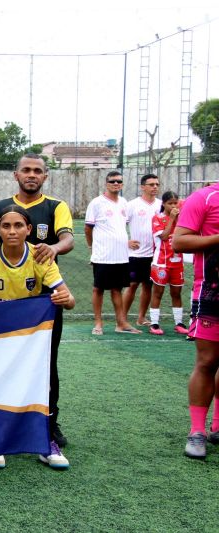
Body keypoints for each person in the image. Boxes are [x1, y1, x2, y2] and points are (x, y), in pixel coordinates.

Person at [0, 204, 75, 470]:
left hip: (31, 338)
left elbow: (69, 299)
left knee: (43, 381)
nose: (12, 231)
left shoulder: (40, 257)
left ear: (29, 229)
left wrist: (66, 298)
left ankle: (46, 441)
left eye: (18, 226)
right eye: (6, 226)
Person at [0, 153, 75, 448]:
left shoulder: (55, 206)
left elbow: (68, 240)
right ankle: (0, 420)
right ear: (16, 174)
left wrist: (52, 248)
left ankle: (50, 421)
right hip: (6, 303)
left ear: (45, 176)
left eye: (38, 170)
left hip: (43, 304)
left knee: (46, 364)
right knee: (0, 362)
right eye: (26, 170)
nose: (31, 174)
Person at [172, 182, 219, 459]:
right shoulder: (205, 197)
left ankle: (217, 425)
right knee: (207, 361)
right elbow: (180, 241)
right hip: (213, 292)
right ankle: (197, 431)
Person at [84, 171, 139, 335]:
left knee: (117, 289)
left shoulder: (124, 202)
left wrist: (126, 242)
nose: (116, 184)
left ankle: (121, 323)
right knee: (98, 289)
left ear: (122, 184)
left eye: (119, 181)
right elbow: (88, 228)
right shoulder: (96, 203)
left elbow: (120, 227)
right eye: (113, 181)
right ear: (106, 184)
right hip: (103, 255)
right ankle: (98, 324)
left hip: (121, 255)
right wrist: (91, 247)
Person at [122, 173, 162, 327]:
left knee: (147, 286)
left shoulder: (161, 205)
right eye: (151, 184)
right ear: (142, 187)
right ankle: (122, 318)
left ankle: (141, 318)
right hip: (135, 254)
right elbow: (119, 224)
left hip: (155, 253)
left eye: (157, 184)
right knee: (132, 285)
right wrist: (127, 240)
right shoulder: (132, 205)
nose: (155, 187)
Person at [149, 191, 187, 336]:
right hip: (161, 262)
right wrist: (171, 219)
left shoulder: (182, 219)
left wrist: (179, 218)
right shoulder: (157, 218)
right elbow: (164, 237)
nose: (173, 206)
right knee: (158, 292)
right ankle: (154, 323)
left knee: (176, 293)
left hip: (177, 262)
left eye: (175, 203)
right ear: (163, 204)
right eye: (170, 203)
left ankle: (179, 323)